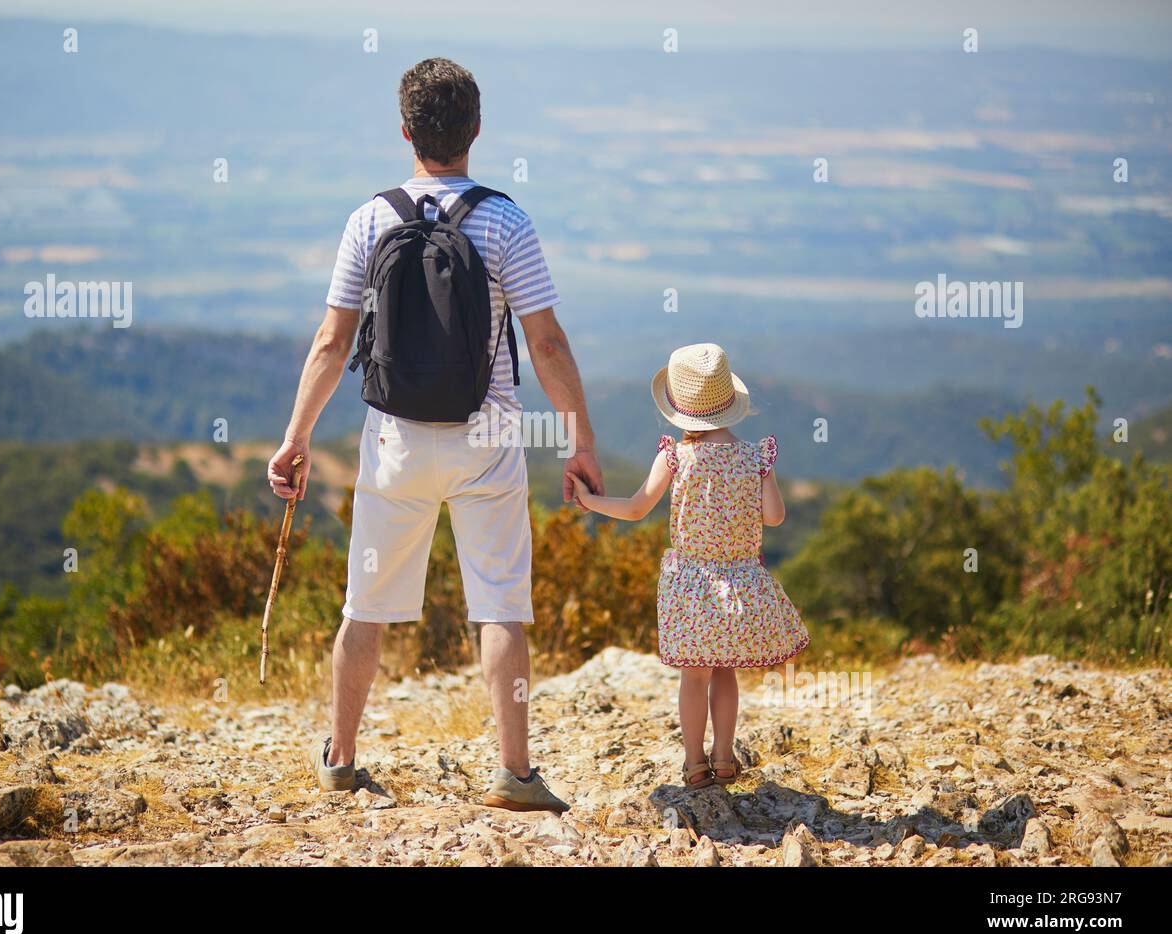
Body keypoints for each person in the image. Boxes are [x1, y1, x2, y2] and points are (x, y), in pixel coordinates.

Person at [267, 57, 603, 812]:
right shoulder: (506, 220)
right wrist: (580, 441)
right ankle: (515, 774)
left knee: (366, 604)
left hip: (394, 443)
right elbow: (546, 344)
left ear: (405, 131)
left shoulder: (370, 219)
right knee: (500, 606)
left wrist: (295, 438)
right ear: (476, 131)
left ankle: (342, 758)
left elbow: (330, 341)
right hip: (486, 440)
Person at [571, 343, 809, 789]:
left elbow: (638, 508)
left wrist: (591, 500)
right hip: (740, 583)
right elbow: (775, 517)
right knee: (725, 671)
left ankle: (694, 762)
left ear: (680, 409)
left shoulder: (675, 457)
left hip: (692, 584)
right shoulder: (758, 456)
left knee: (693, 675)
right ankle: (724, 758)